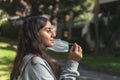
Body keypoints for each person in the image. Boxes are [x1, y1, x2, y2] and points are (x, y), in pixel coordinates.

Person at [10, 16, 83, 80]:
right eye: (48, 30)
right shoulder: (35, 63)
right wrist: (72, 63)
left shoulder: (30, 58)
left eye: (52, 30)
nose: (54, 34)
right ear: (35, 34)